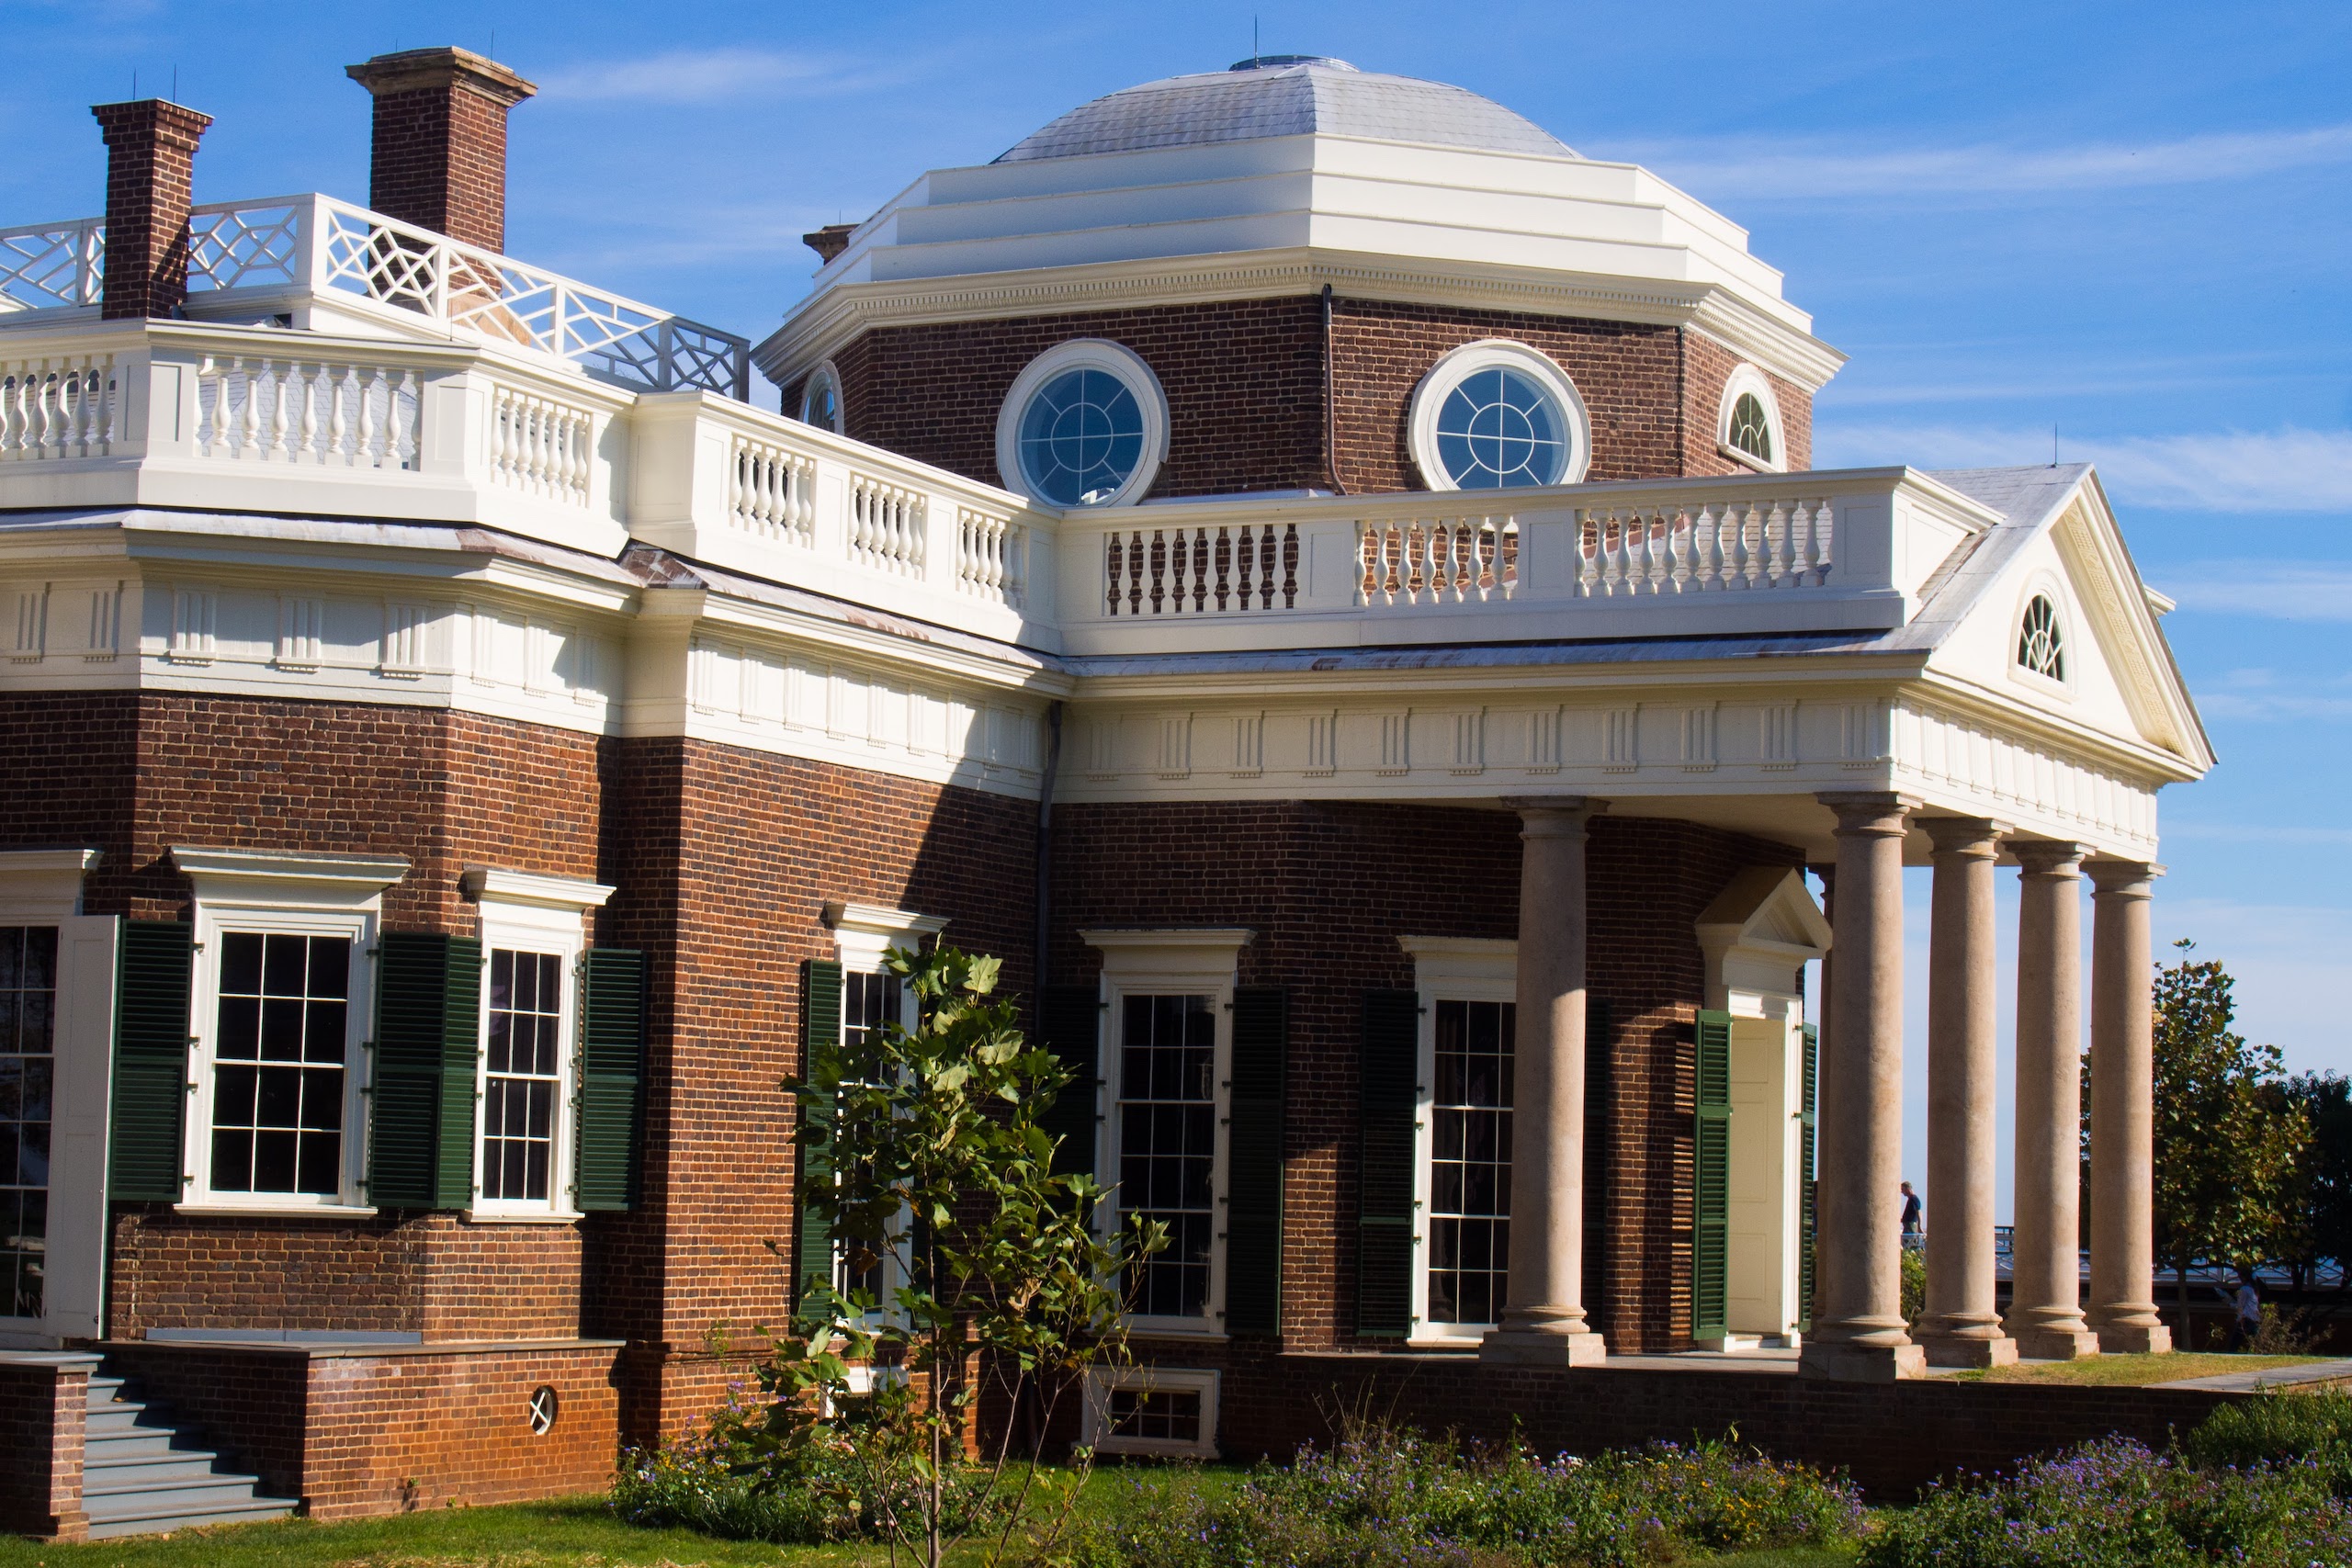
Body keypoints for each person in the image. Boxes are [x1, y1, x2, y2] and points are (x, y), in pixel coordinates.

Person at [1900, 1181, 1923, 1249]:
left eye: (1903, 1189)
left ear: (1908, 1189)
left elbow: (1918, 1212)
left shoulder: (1914, 1199)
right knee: (1906, 1243)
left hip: (1910, 1226)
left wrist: (1919, 1226)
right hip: (1908, 1226)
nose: (1902, 1192)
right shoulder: (1911, 1199)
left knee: (1910, 1244)